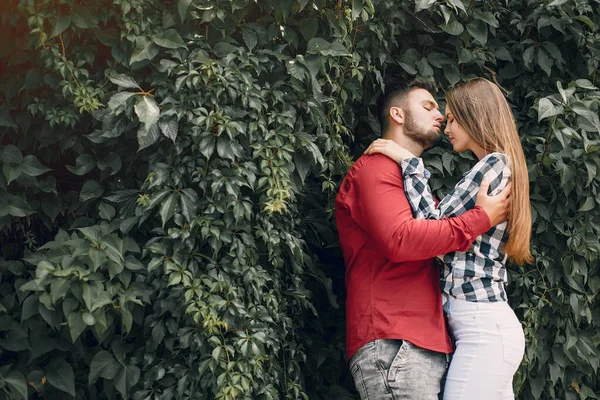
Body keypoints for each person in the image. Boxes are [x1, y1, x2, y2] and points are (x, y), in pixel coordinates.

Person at [335, 79, 511, 399]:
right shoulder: (376, 169)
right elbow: (401, 239)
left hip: (421, 344)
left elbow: (431, 231)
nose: (441, 116)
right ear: (398, 114)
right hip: (394, 340)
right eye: (429, 106)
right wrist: (481, 218)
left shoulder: (409, 178)